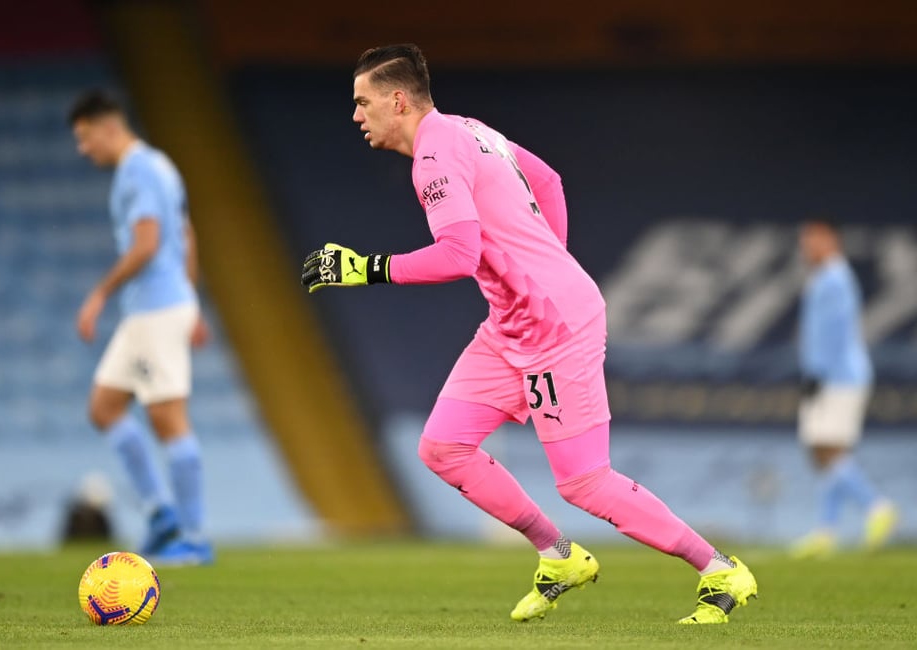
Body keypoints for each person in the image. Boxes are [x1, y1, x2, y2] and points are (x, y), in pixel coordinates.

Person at [301, 44, 757, 624]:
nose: (357, 115)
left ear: (398, 100)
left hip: (556, 326)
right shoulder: (469, 129)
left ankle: (720, 570)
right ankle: (558, 554)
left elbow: (459, 256)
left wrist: (363, 267)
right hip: (511, 324)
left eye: (364, 102)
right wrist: (545, 263)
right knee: (443, 447)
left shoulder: (435, 158)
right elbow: (548, 178)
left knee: (585, 482)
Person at [69, 90, 213, 565]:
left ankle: (192, 538)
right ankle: (160, 514)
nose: (83, 149)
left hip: (154, 310)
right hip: (158, 308)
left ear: (109, 128)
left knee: (167, 420)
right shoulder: (162, 165)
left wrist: (98, 293)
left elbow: (147, 243)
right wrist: (191, 300)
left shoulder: (137, 172)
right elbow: (186, 233)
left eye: (86, 138)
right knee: (105, 406)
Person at [791, 218, 898, 558]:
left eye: (814, 240)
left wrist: (817, 371)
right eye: (805, 242)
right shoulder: (827, 278)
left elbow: (834, 333)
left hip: (837, 376)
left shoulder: (835, 279)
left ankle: (876, 507)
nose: (808, 248)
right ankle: (827, 531)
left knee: (824, 447)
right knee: (826, 451)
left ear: (831, 240)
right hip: (836, 374)